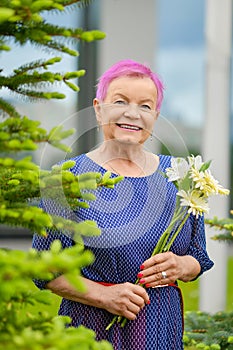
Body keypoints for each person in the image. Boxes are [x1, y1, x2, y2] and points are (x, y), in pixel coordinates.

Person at [32, 59, 214, 350]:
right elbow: (44, 269)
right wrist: (104, 296)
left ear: (155, 116)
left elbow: (198, 256)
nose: (133, 113)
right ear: (98, 108)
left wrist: (180, 265)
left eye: (145, 105)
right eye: (120, 101)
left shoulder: (181, 176)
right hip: (91, 329)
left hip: (159, 329)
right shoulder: (64, 179)